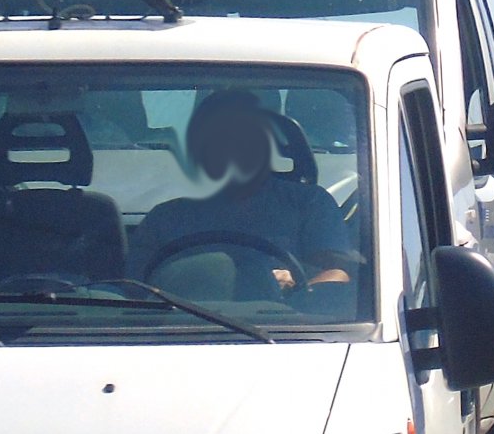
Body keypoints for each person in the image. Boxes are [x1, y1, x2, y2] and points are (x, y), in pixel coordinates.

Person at [127, 89, 353, 296]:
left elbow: (337, 275)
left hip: (287, 330)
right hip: (177, 330)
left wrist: (297, 287)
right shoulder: (165, 218)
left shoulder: (310, 204)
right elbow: (133, 291)